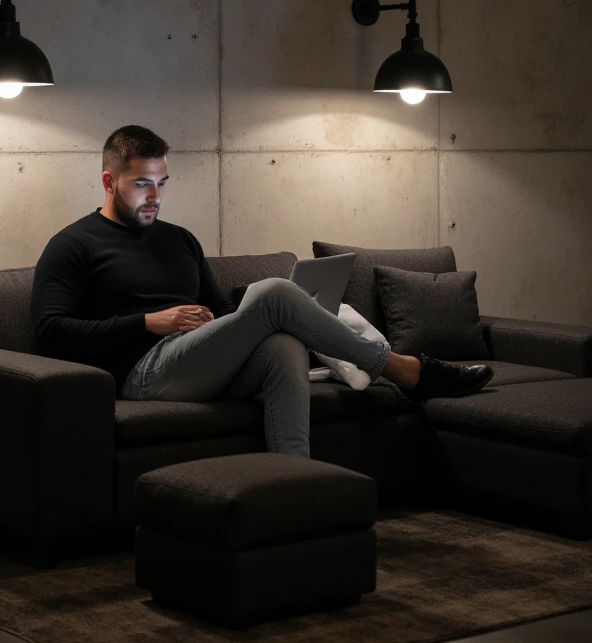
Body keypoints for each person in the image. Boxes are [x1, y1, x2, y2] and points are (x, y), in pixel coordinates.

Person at [31, 125, 493, 458]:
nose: (155, 196)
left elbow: (221, 309)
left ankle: (293, 485)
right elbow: (51, 333)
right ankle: (403, 369)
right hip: (142, 373)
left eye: (163, 184)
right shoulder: (73, 245)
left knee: (281, 342)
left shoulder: (179, 240)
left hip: (199, 360)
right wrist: (149, 322)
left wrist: (248, 316)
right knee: (273, 291)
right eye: (142, 185)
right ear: (110, 182)